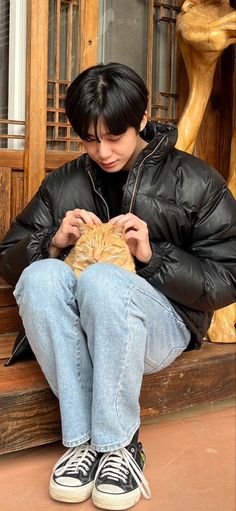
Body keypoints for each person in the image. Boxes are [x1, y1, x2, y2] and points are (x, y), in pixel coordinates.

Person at [0, 62, 235, 510]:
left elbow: (227, 277)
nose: (102, 151)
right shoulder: (64, 182)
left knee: (104, 280)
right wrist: (53, 241)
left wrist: (153, 256)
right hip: (80, 328)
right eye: (89, 138)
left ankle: (121, 446)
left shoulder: (195, 180)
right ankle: (84, 443)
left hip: (159, 326)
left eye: (114, 136)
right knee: (41, 274)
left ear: (142, 120)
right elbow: (8, 259)